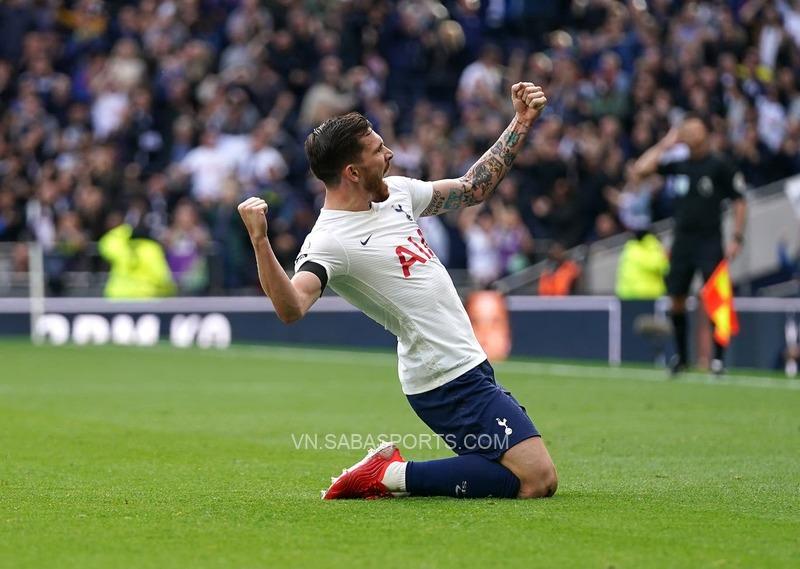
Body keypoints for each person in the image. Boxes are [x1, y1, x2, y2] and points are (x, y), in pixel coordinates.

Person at [238, 83, 558, 500]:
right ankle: (389, 475)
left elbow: (473, 188)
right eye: (377, 151)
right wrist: (261, 242)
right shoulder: (330, 241)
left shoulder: (399, 193)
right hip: (442, 375)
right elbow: (292, 307)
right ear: (352, 172)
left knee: (512, 477)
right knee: (538, 480)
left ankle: (390, 475)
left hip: (463, 361)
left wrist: (520, 122)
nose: (389, 155)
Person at [632, 116, 747, 375]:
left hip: (710, 241)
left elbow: (740, 199)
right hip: (682, 241)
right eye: (686, 129)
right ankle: (682, 358)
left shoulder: (720, 165)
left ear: (706, 133)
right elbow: (640, 169)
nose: (690, 132)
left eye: (695, 128)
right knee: (677, 300)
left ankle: (718, 360)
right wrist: (666, 143)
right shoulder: (680, 164)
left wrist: (737, 237)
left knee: (716, 300)